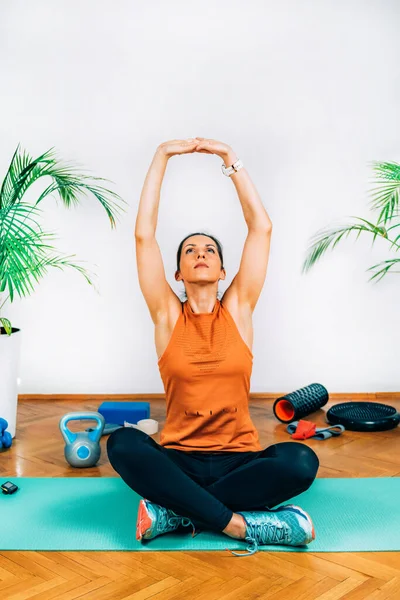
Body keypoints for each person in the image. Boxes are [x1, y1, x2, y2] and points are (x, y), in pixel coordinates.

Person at [107, 137, 319, 557]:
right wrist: (161, 155)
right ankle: (240, 524)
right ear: (179, 273)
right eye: (190, 250)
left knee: (300, 461)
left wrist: (229, 159)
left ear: (223, 271)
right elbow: (143, 237)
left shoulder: (238, 309)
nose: (200, 253)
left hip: (239, 458)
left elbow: (261, 228)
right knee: (122, 444)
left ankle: (178, 513)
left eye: (210, 250)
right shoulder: (168, 316)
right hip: (177, 458)